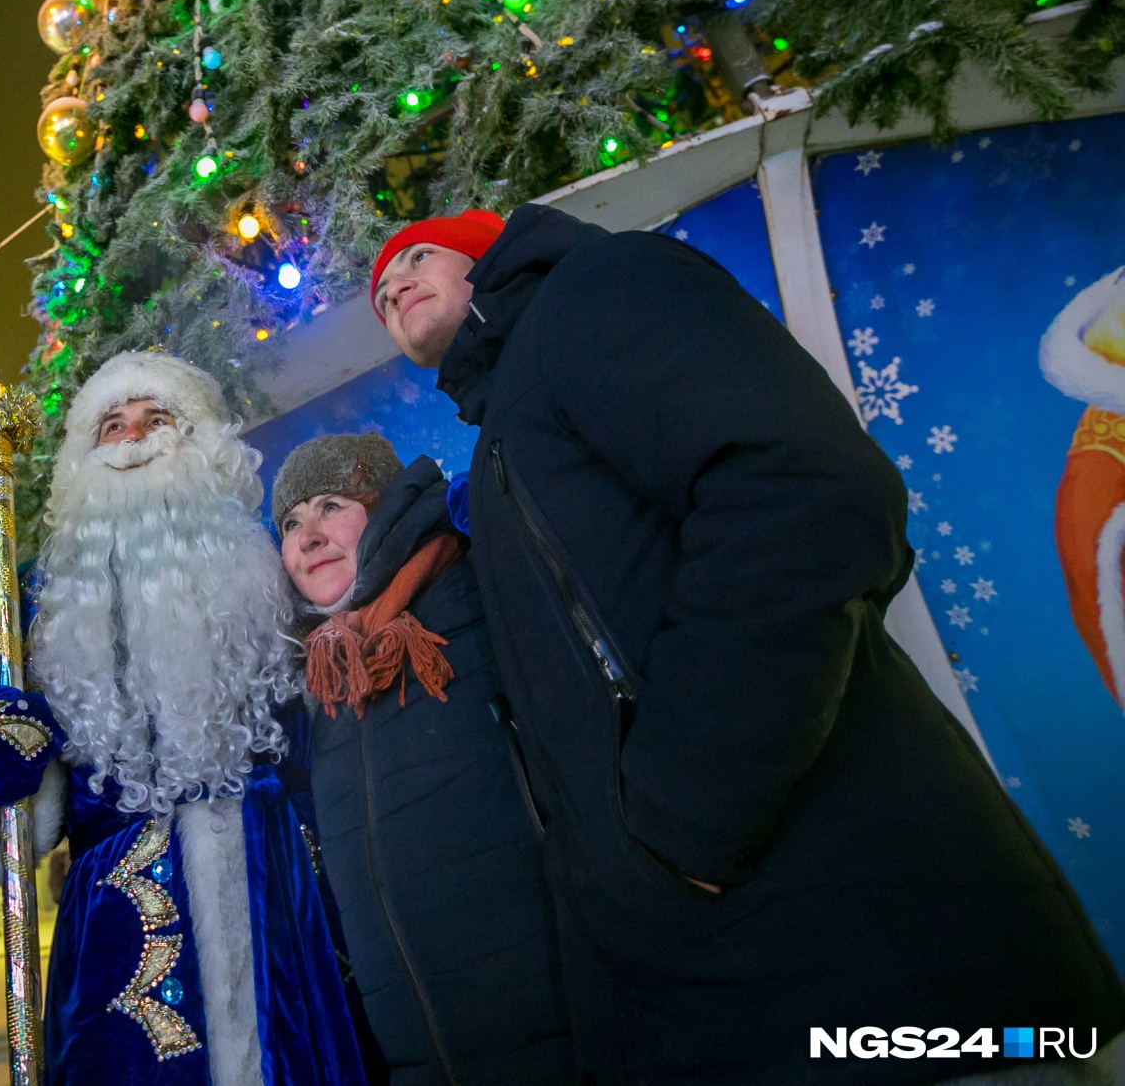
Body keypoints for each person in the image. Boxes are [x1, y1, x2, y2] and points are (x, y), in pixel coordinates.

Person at [368, 208, 1125, 1080]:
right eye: (382, 294)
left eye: (417, 256)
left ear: (486, 253)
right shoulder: (504, 434)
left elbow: (805, 493)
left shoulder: (596, 292)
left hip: (881, 976)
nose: (394, 285)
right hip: (733, 999)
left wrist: (685, 819)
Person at [0, 351, 368, 1086]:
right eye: (112, 424)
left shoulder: (266, 560)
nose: (132, 436)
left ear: (197, 439)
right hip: (121, 918)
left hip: (283, 900)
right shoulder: (36, 598)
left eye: (155, 419)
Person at [274, 433, 575, 1085]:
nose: (308, 534)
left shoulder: (471, 590)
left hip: (562, 1027)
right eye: (291, 521)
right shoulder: (322, 676)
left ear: (385, 507)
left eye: (331, 504)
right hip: (422, 1050)